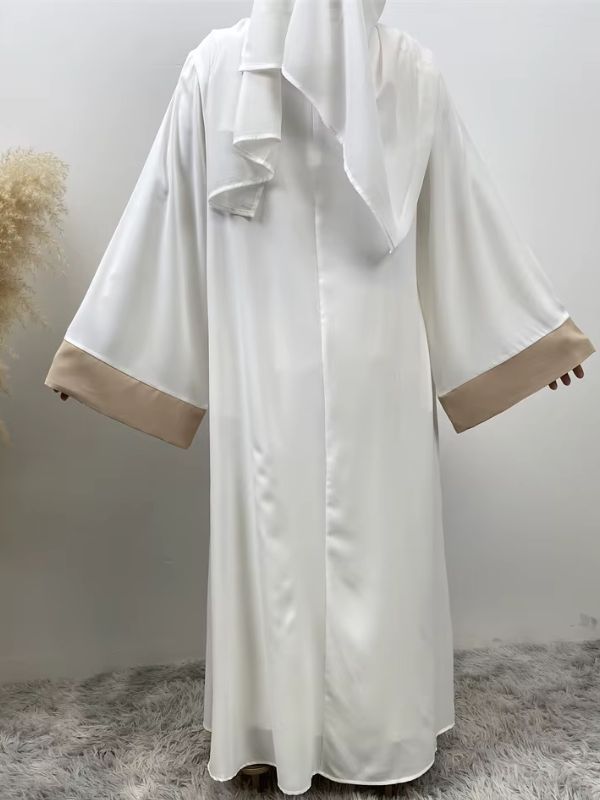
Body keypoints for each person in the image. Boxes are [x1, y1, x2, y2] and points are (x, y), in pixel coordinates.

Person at [45, 1, 595, 794]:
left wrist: (535, 344)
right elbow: (166, 211)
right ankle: (316, 733)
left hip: (340, 373)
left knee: (323, 544)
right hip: (289, 372)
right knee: (325, 545)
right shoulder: (239, 68)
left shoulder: (377, 69)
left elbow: (457, 210)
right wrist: (98, 359)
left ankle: (357, 735)